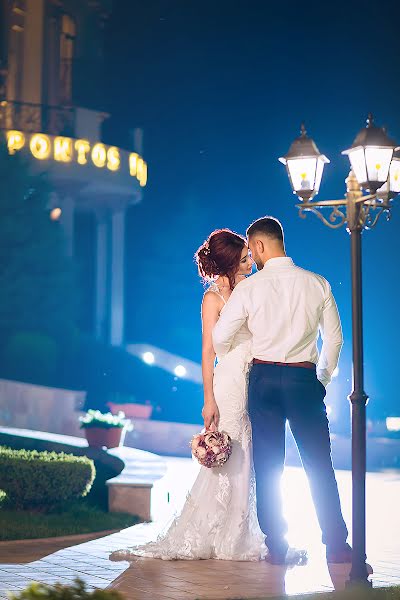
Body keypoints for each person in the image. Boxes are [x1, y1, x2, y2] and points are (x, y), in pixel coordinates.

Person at [110, 228, 267, 561]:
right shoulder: (213, 299)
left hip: (253, 379)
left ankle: (238, 529)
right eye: (244, 258)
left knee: (247, 453)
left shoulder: (250, 290)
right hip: (229, 383)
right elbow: (208, 351)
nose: (251, 260)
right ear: (229, 264)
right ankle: (218, 533)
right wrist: (208, 399)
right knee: (232, 450)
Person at [212, 216, 352, 565]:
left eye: (250, 248)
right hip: (303, 379)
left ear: (258, 246)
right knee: (319, 464)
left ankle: (277, 544)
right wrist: (322, 378)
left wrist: (244, 352)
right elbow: (334, 339)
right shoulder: (317, 283)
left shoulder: (249, 288)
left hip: (262, 379)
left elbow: (219, 339)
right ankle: (336, 545)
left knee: (269, 464)